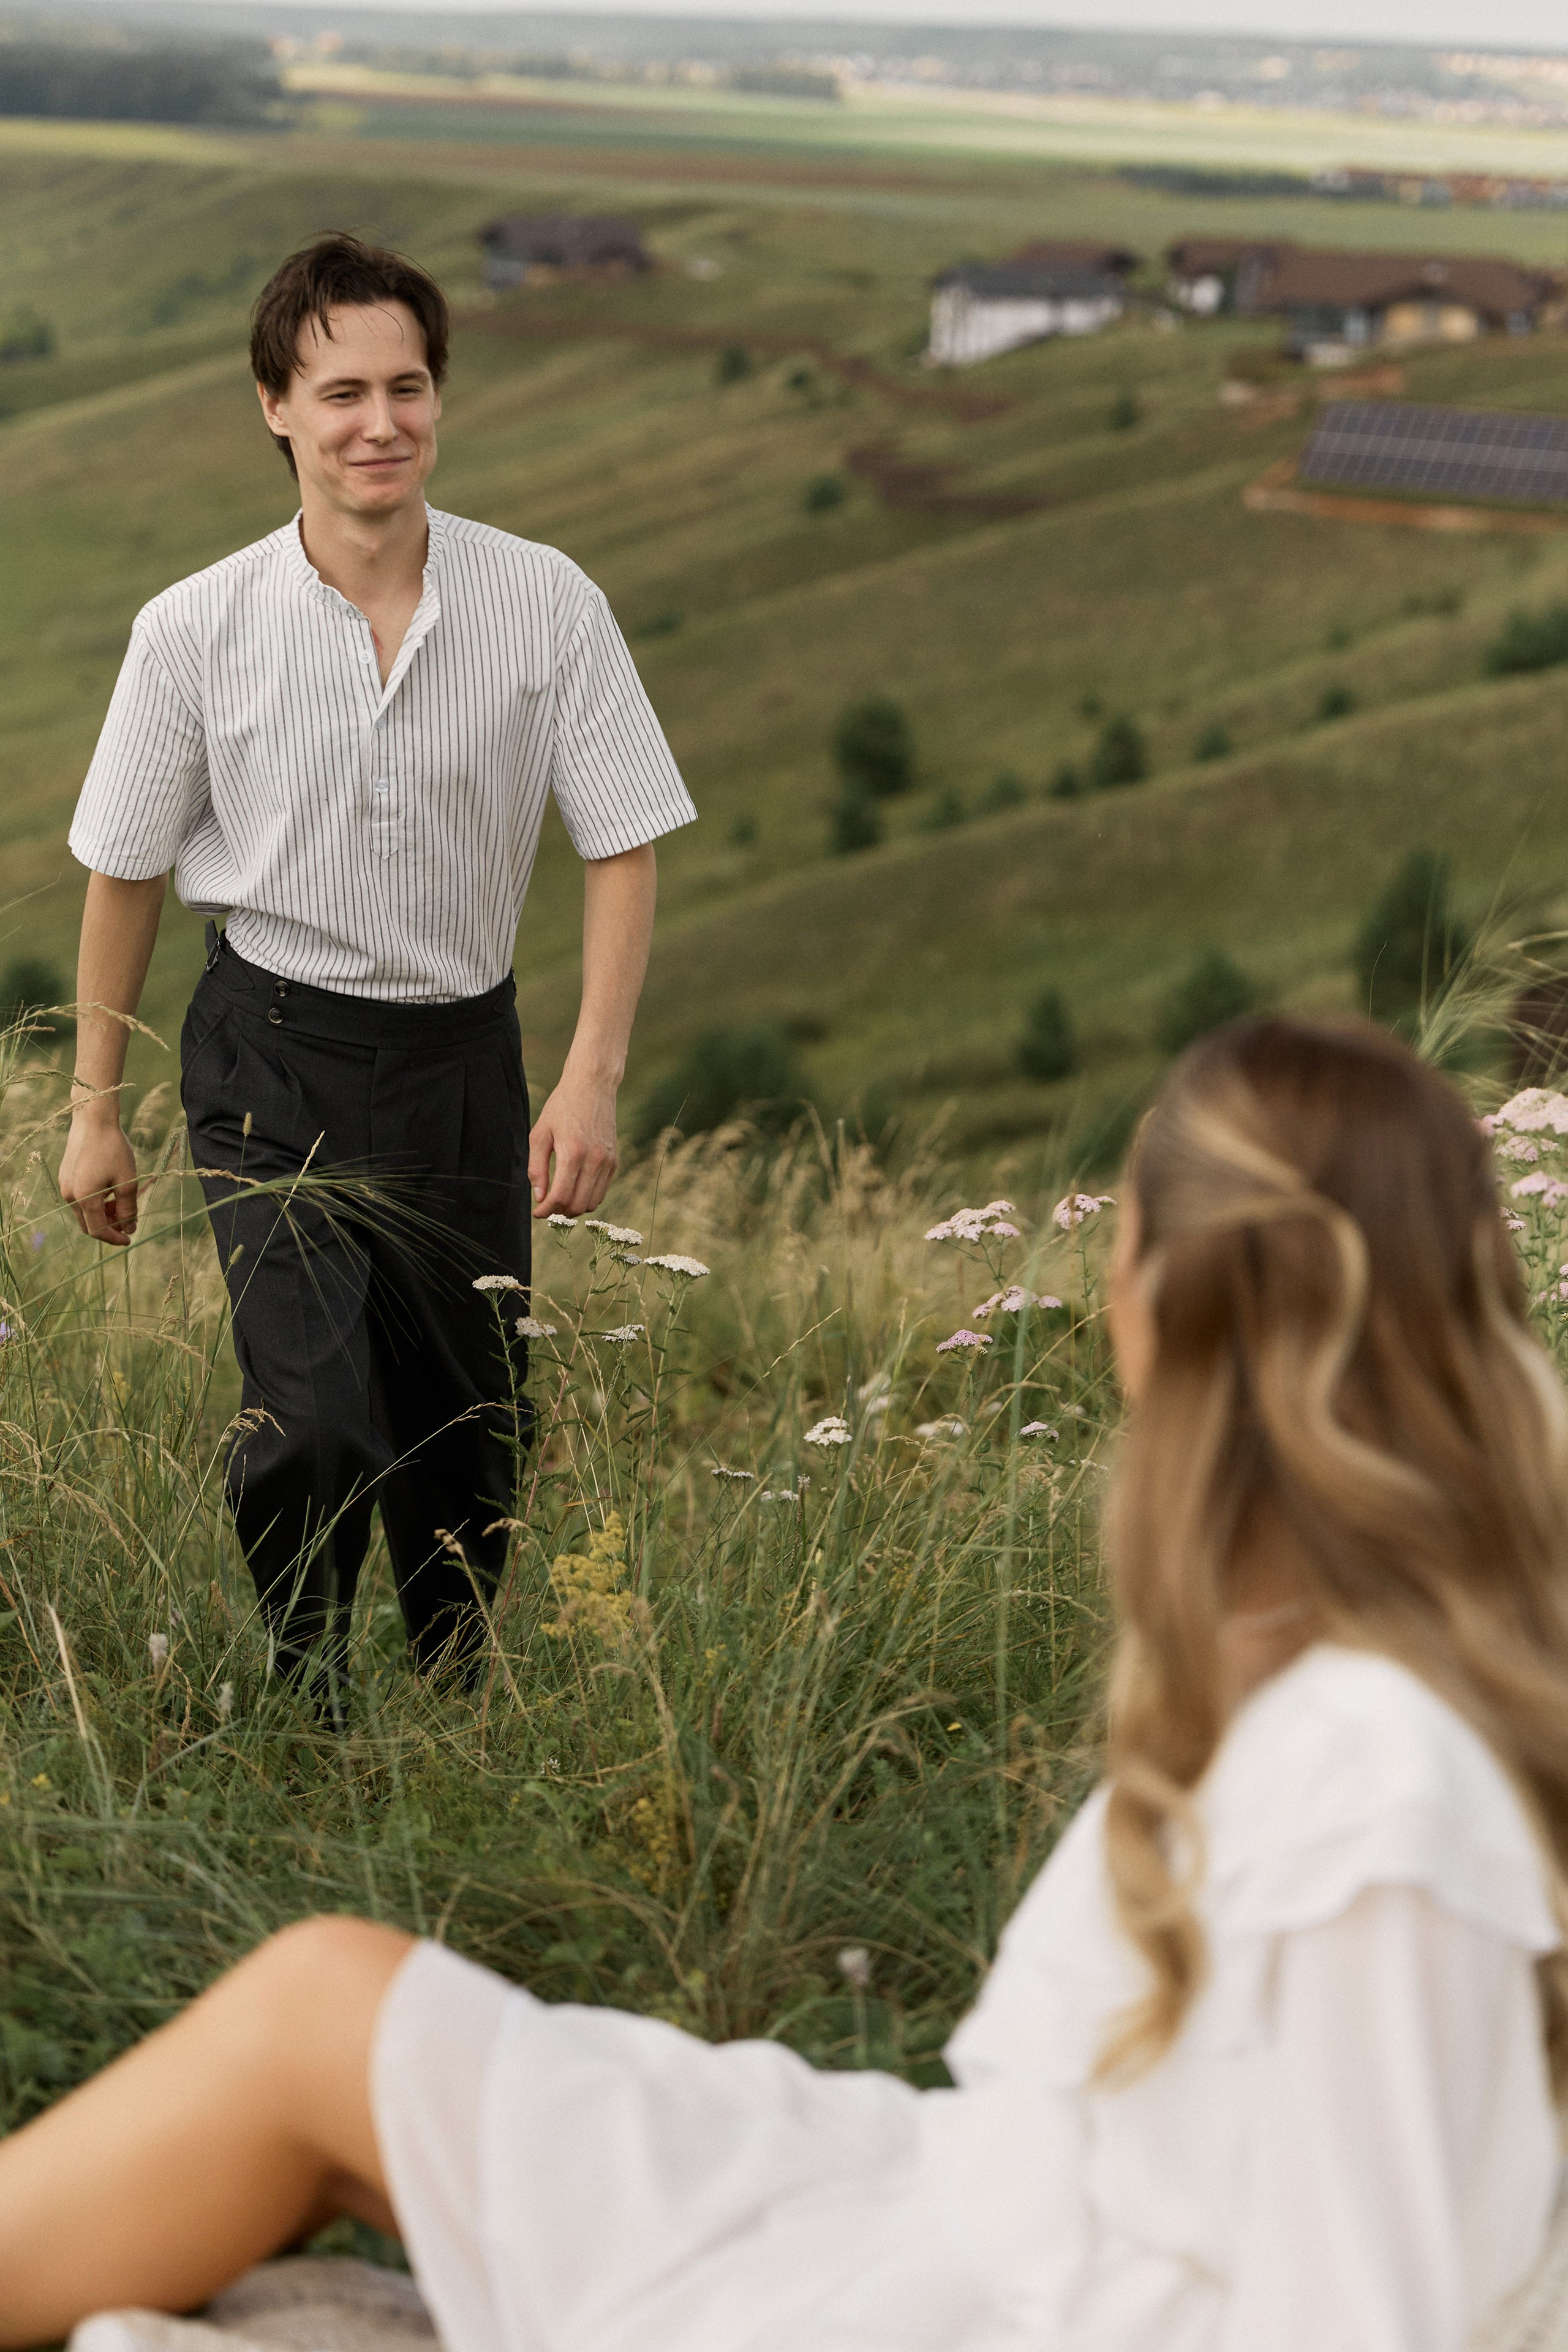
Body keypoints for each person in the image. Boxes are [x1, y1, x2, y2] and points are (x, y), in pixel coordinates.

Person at [8, 1013, 1568, 2352]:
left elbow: (1368, 2311)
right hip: (960, 2205)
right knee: (338, 2014)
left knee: (317, 2019)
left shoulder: (1371, 1772)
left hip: (984, 2297)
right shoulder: (1363, 1691)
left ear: (1167, 1301)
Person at [58, 235, 696, 1684]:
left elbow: (623, 843)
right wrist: (94, 1109)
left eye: (406, 388)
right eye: (341, 392)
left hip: (463, 1062)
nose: (379, 423)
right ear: (276, 407)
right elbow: (124, 868)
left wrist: (590, 1079)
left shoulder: (545, 601)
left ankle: (454, 1709)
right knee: (315, 1419)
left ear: (438, 398)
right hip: (269, 1060)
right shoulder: (193, 629)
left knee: (470, 1438)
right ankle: (306, 1695)